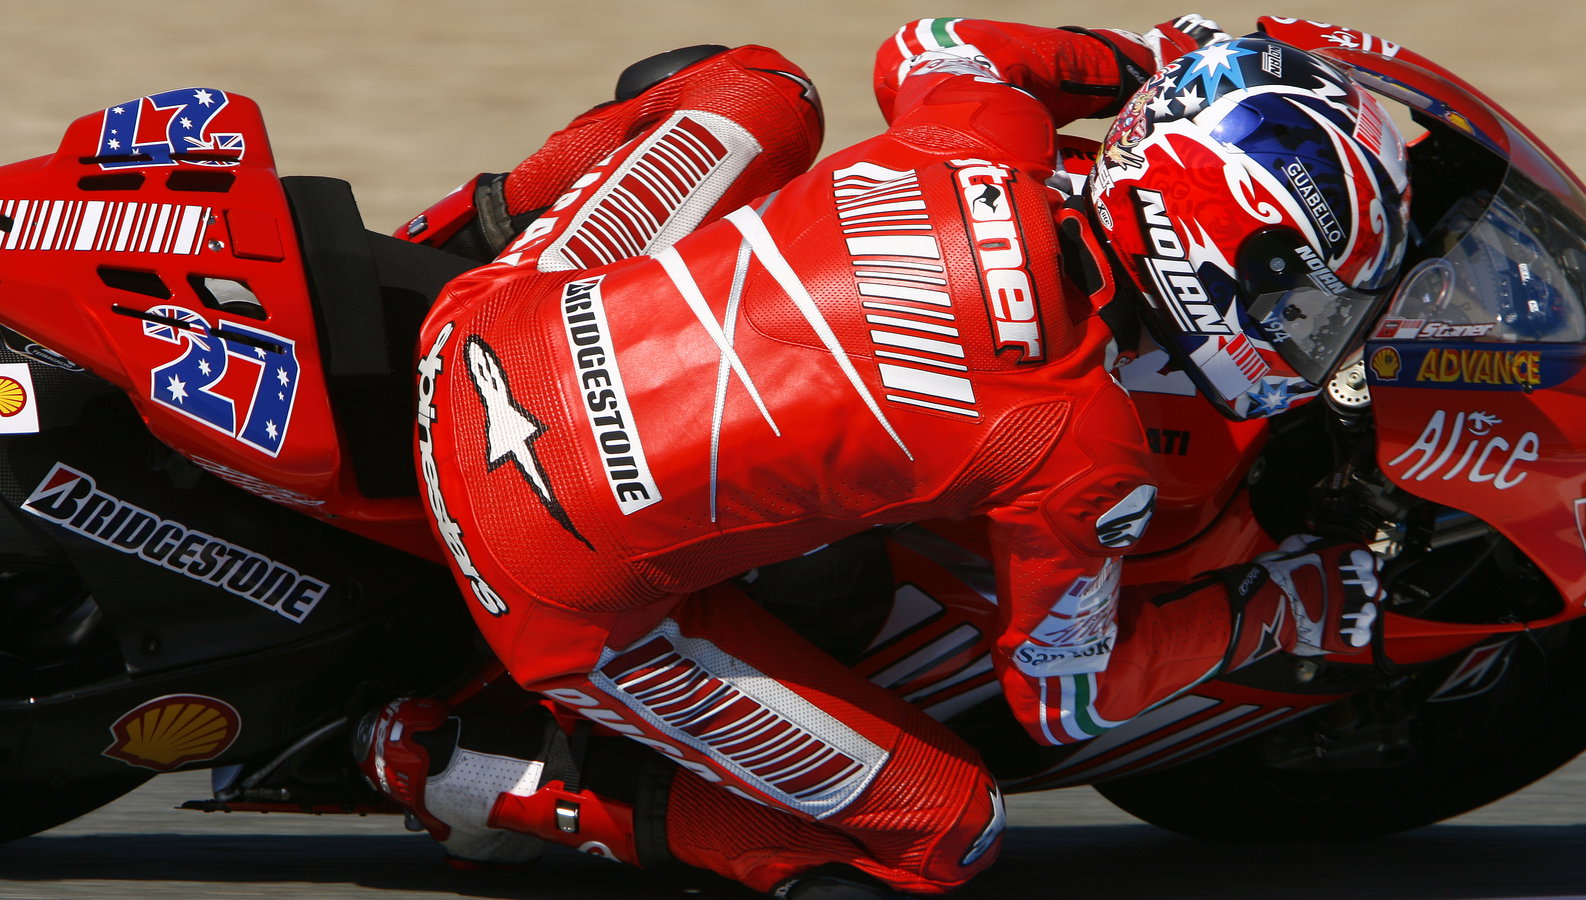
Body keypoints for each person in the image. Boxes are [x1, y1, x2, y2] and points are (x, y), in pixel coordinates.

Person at [356, 14, 1405, 898]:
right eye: (1303, 306)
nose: (1309, 340)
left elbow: (930, 42)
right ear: (1207, 255)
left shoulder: (982, 132)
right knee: (947, 831)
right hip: (544, 576)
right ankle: (471, 777)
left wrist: (1149, 61)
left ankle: (425, 245)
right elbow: (1068, 700)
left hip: (481, 326)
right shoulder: (1083, 445)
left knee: (760, 90)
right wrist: (1290, 606)